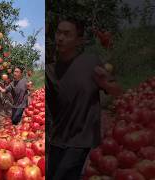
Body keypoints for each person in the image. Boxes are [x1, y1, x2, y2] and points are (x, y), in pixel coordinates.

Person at [47, 18, 123, 180]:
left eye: (67, 34)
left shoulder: (91, 63)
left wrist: (105, 83)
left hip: (82, 140)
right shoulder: (50, 70)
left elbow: (118, 93)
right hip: (57, 139)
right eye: (58, 32)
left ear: (79, 40)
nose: (60, 38)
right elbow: (53, 107)